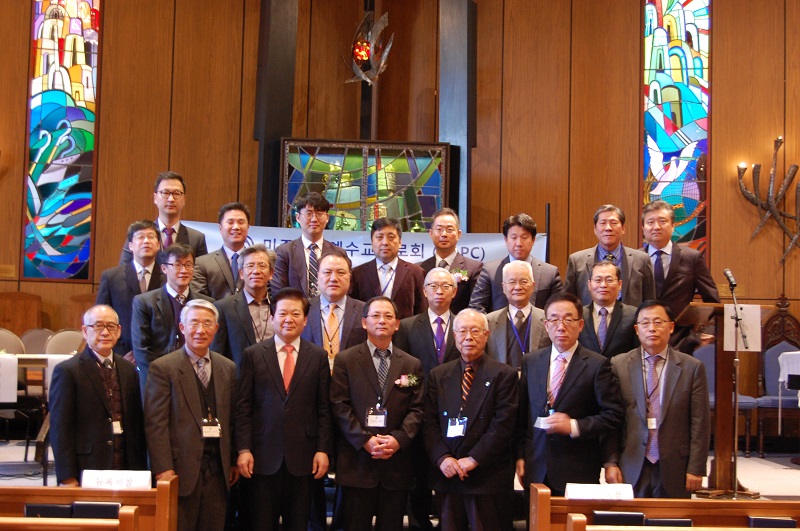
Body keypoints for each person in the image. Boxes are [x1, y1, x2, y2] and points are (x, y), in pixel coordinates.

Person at [236, 288, 333, 530]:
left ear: (305, 319)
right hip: (262, 457)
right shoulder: (254, 355)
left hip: (303, 458)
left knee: (298, 523)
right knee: (261, 523)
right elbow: (244, 407)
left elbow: (323, 409)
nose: (289, 319)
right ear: (272, 318)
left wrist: (323, 450)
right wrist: (244, 449)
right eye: (282, 313)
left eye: (295, 314)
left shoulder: (318, 356)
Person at [330, 296, 424, 531]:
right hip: (357, 461)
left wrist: (398, 440)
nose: (382, 320)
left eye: (388, 316)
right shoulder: (346, 360)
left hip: (396, 463)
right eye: (375, 316)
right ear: (364, 322)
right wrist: (364, 440)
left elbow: (417, 408)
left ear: (397, 324)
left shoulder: (411, 364)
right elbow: (339, 405)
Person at [516, 292, 623, 497]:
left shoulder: (597, 365)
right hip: (535, 466)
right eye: (554, 320)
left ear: (580, 325)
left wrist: (574, 426)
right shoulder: (531, 361)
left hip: (577, 469)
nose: (561, 326)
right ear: (546, 325)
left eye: (568, 319)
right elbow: (523, 416)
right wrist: (520, 455)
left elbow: (613, 415)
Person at [144, 299, 239, 531]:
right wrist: (163, 468)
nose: (200, 330)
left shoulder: (227, 367)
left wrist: (232, 459)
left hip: (217, 470)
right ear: (182, 327)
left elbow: (232, 419)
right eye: (194, 323)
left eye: (207, 324)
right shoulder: (163, 368)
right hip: (179, 470)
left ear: (216, 329)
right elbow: (156, 423)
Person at [423, 309, 519, 531]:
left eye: (475, 331)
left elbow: (503, 424)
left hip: (486, 474)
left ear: (486, 335)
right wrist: (442, 458)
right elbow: (429, 422)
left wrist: (474, 459)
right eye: (463, 331)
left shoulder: (503, 374)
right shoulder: (439, 375)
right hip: (448, 472)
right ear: (454, 336)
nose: (468, 337)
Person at [604, 300, 710, 498]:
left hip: (676, 465)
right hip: (632, 462)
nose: (651, 328)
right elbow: (613, 419)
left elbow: (700, 422)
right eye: (645, 323)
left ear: (671, 327)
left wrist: (696, 467)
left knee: (673, 517)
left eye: (658, 322)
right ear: (637, 330)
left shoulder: (692, 367)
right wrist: (611, 462)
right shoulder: (619, 365)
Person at [392, 267, 462, 530]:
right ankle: (419, 524)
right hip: (419, 412)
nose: (439, 291)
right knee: (418, 478)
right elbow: (401, 374)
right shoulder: (408, 326)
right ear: (424, 291)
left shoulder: (465, 324)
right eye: (433, 286)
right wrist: (422, 384)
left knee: (450, 476)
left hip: (456, 414)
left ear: (454, 291)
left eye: (445, 286)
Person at [49, 305, 146, 486]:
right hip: (87, 467)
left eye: (111, 326)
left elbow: (136, 424)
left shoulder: (129, 370)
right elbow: (60, 429)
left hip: (126, 468)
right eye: (98, 326)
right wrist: (67, 476)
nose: (105, 332)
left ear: (119, 331)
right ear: (85, 331)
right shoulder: (68, 371)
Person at [131, 243, 213, 396]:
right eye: (177, 265)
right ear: (164, 268)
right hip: (157, 381)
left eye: (188, 265)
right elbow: (141, 349)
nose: (184, 270)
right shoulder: (144, 302)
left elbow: (212, 345)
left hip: (196, 379)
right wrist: (161, 376)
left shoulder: (206, 304)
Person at [641, 200, 720, 351]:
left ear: (673, 226)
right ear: (643, 228)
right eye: (650, 222)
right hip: (643, 340)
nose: (656, 227)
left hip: (682, 341)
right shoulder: (635, 259)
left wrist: (708, 332)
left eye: (662, 221)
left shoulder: (692, 258)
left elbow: (712, 300)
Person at [469, 213, 563, 312]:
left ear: (533, 240)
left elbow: (559, 309)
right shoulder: (490, 271)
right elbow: (476, 307)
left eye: (524, 237)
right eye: (514, 237)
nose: (519, 243)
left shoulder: (550, 273)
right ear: (506, 240)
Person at [565, 205, 655, 307]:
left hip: (631, 317)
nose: (608, 228)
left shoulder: (642, 260)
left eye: (614, 223)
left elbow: (650, 302)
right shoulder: (577, 260)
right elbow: (568, 302)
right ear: (595, 229)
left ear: (623, 228)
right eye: (603, 223)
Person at [96, 220, 164, 355]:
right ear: (130, 245)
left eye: (151, 237)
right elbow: (100, 318)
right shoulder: (111, 277)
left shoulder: (168, 278)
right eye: (140, 237)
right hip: (120, 353)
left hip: (158, 354)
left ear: (158, 245)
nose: (146, 241)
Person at [120, 171, 207, 265]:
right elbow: (124, 270)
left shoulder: (196, 239)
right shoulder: (138, 235)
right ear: (155, 198)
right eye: (165, 193)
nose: (171, 199)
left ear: (184, 199)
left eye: (177, 193)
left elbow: (200, 273)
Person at [212, 244, 276, 372]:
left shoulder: (279, 306)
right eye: (250, 266)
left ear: (271, 273)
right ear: (241, 273)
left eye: (262, 265)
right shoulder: (224, 308)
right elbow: (217, 355)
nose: (256, 271)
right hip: (239, 379)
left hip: (274, 379)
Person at [301, 251, 368, 372]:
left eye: (341, 273)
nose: (333, 279)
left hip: (352, 379)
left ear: (350, 277)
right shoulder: (302, 309)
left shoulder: (365, 311)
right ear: (317, 277)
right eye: (327, 272)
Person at [350, 217, 427, 320]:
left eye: (391, 237)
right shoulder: (358, 273)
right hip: (368, 329)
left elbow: (422, 312)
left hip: (404, 329)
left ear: (400, 242)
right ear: (372, 242)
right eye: (379, 237)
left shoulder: (416, 273)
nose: (385, 242)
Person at [271, 191, 345, 297]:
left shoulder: (338, 253)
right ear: (298, 217)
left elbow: (344, 290)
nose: (314, 219)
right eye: (308, 214)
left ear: (327, 218)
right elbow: (278, 292)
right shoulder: (285, 252)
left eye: (319, 214)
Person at [417, 208, 483, 314]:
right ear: (431, 233)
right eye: (439, 229)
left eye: (449, 229)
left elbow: (476, 305)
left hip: (459, 322)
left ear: (459, 234)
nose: (444, 234)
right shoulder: (419, 269)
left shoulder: (474, 268)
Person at [486, 261, 550, 370]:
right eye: (512, 282)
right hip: (501, 379)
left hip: (536, 378)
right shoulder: (488, 321)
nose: (518, 287)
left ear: (533, 286)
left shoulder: (548, 319)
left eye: (523, 281)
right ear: (503, 287)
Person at [577, 261, 639, 358]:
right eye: (598, 280)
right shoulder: (578, 314)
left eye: (609, 280)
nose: (603, 285)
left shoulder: (634, 314)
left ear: (620, 284)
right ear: (589, 285)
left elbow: (637, 352)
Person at [191, 202, 251, 300]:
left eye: (241, 222)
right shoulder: (202, 263)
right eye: (230, 222)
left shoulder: (258, 263)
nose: (236, 227)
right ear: (220, 228)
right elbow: (198, 300)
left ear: (248, 227)